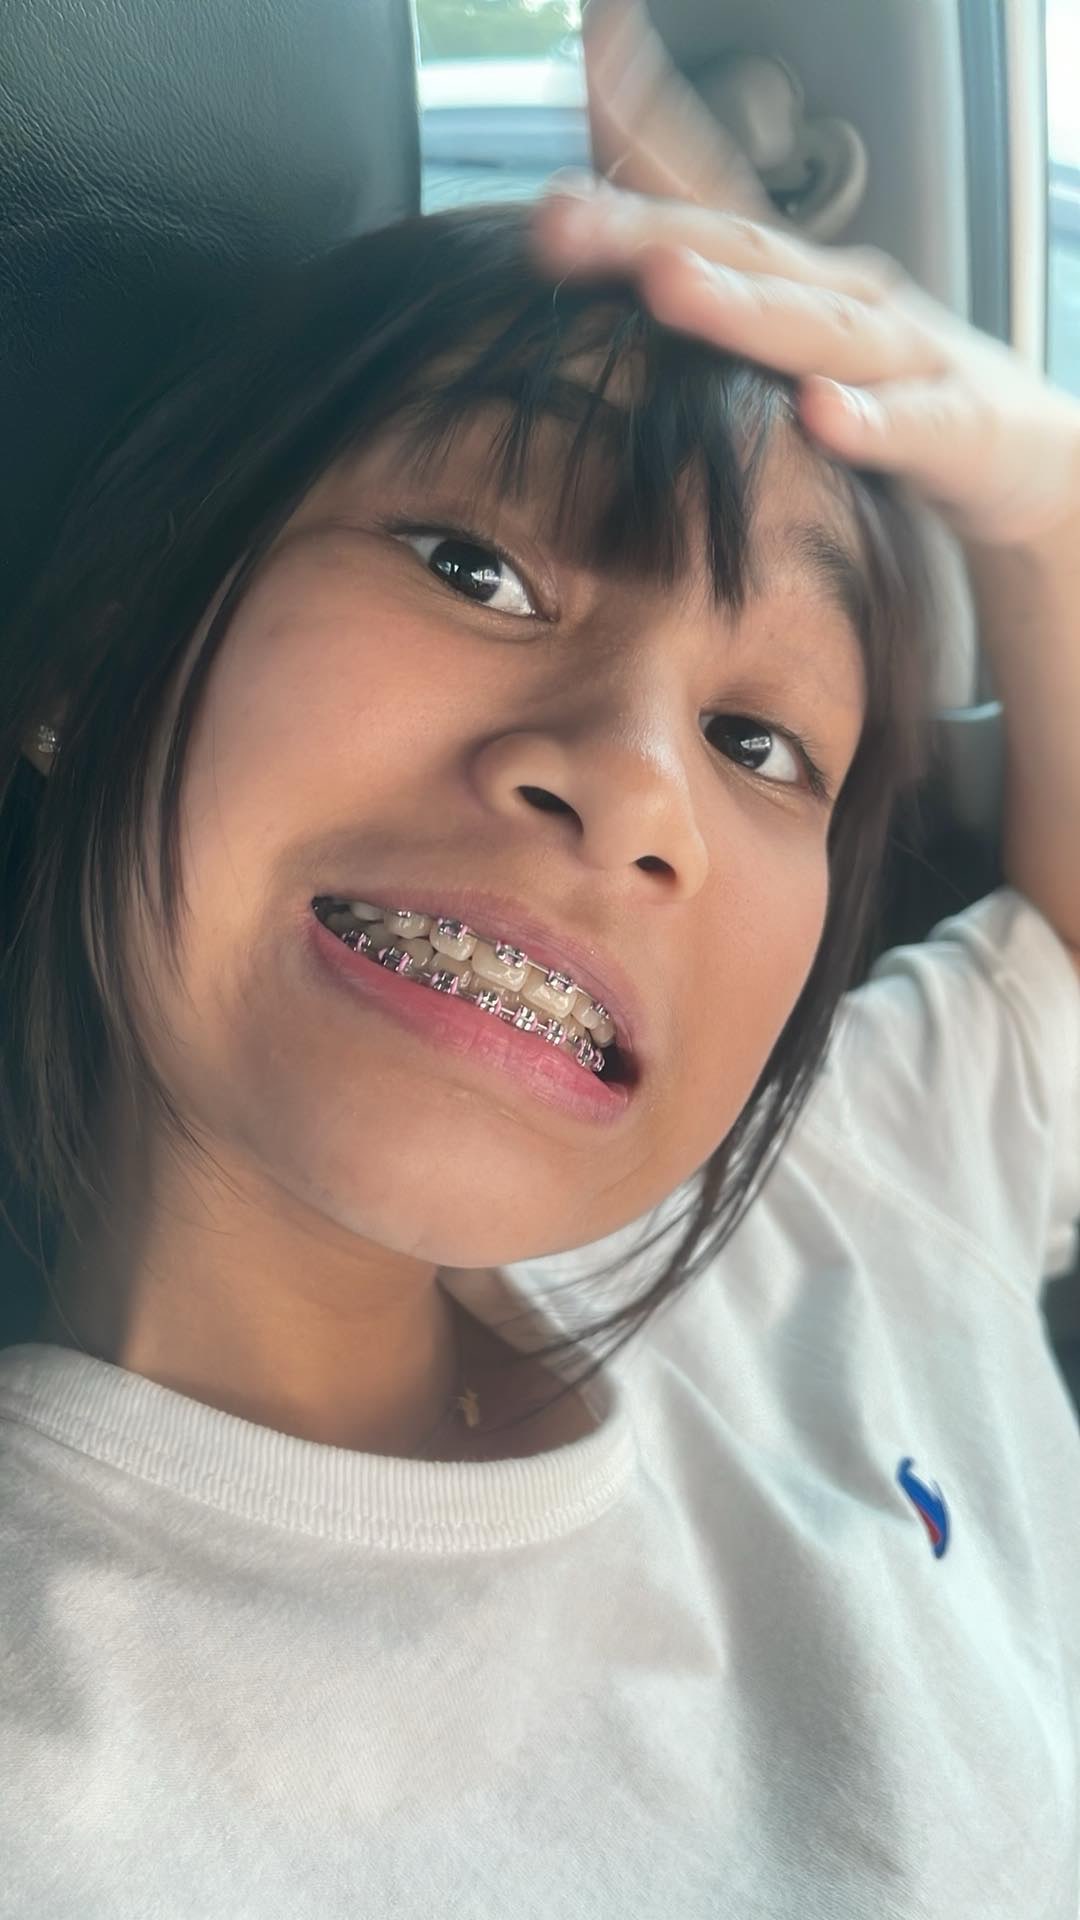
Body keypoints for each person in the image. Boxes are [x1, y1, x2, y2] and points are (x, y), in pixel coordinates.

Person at [1, 3, 1078, 1913]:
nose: (638, 786)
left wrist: (1043, 497)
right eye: (476, 567)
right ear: (102, 646)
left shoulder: (841, 1207)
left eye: (763, 741)